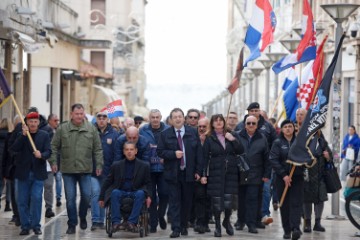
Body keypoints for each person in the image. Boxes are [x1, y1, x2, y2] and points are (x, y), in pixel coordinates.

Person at [49, 103, 103, 234]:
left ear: (84, 114)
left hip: (85, 169)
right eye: (77, 114)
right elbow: (54, 146)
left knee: (86, 196)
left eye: (81, 114)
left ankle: (83, 216)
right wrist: (53, 162)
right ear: (71, 114)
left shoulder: (91, 129)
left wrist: (99, 164)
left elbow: (98, 149)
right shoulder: (63, 128)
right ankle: (72, 224)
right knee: (70, 199)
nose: (79, 116)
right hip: (68, 170)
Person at [157, 108, 203, 238]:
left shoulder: (193, 132)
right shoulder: (165, 134)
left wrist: (199, 171)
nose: (177, 119)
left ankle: (184, 225)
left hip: (188, 173)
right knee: (175, 202)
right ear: (171, 120)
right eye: (175, 117)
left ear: (184, 118)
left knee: (187, 202)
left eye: (180, 116)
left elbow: (199, 153)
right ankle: (176, 228)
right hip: (173, 174)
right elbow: (160, 151)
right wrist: (173, 154)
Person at [201, 114, 244, 237]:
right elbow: (204, 158)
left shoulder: (232, 134)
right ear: (212, 123)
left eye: (221, 120)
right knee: (217, 201)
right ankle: (218, 226)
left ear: (224, 122)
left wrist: (232, 139)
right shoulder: (209, 138)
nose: (219, 122)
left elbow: (240, 150)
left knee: (229, 200)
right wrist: (203, 174)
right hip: (215, 172)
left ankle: (227, 221)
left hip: (231, 172)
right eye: (216, 120)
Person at [235, 102, 276, 228]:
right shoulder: (237, 134)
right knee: (241, 199)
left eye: (253, 123)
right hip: (241, 173)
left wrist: (266, 174)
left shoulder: (263, 136)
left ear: (257, 125)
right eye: (248, 123)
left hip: (257, 173)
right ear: (245, 124)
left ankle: (253, 223)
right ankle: (241, 221)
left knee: (254, 198)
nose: (251, 125)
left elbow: (268, 156)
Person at [11, 112, 51, 235]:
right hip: (23, 173)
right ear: (27, 123)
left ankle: (36, 225)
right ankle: (25, 225)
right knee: (22, 200)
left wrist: (42, 155)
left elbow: (49, 151)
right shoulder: (20, 135)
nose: (33, 124)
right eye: (31, 121)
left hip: (38, 173)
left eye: (35, 121)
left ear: (38, 122)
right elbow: (13, 149)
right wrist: (23, 136)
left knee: (37, 198)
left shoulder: (44, 135)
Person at [99, 142, 152, 233]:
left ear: (136, 151)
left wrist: (149, 196)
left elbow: (148, 183)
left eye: (131, 149)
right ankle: (115, 223)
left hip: (136, 191)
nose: (129, 152)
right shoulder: (116, 165)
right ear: (123, 152)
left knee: (141, 193)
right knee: (114, 192)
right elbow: (108, 181)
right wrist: (101, 197)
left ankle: (132, 222)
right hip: (121, 190)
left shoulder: (144, 166)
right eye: (127, 149)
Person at [269, 120, 303, 240]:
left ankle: (296, 228)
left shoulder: (299, 142)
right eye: (285, 127)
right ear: (282, 129)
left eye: (290, 126)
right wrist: (284, 175)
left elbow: (306, 158)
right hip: (281, 179)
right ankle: (287, 230)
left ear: (294, 129)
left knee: (296, 203)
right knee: (284, 204)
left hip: (297, 178)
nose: (288, 129)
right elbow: (273, 159)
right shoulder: (277, 143)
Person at [139, 109, 169, 233]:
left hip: (163, 169)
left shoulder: (168, 129)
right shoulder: (143, 130)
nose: (155, 119)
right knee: (150, 196)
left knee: (164, 194)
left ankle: (161, 215)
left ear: (161, 117)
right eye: (153, 117)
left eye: (157, 117)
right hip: (149, 169)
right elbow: (139, 148)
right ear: (149, 118)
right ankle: (153, 222)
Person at [91, 111, 119, 231]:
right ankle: (96, 220)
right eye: (99, 117)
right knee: (95, 193)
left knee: (103, 195)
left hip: (108, 171)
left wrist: (114, 170)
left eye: (104, 117)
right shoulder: (90, 132)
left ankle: (102, 220)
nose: (101, 119)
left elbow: (117, 154)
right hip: (92, 170)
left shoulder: (114, 134)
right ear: (96, 119)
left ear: (108, 119)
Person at [303, 131, 332, 233]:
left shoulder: (323, 143)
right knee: (307, 200)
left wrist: (328, 156)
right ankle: (307, 223)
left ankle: (318, 222)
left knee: (320, 200)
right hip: (307, 176)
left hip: (320, 176)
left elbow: (330, 158)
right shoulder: (304, 142)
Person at [193, 117, 211, 234]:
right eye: (199, 126)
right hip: (197, 175)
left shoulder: (212, 139)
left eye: (204, 126)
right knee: (199, 198)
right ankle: (199, 222)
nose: (202, 129)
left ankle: (206, 222)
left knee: (209, 200)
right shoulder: (193, 139)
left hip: (210, 174)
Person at [47, 114, 62, 207]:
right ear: (50, 121)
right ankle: (50, 204)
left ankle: (58, 198)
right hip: (50, 161)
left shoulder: (58, 131)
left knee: (59, 179)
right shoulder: (47, 131)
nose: (57, 122)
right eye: (55, 120)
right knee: (50, 183)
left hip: (59, 159)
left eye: (58, 120)